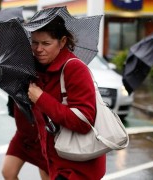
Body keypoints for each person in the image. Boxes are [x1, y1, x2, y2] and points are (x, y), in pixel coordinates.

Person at [27, 16, 106, 180]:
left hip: (78, 168)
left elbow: (83, 121)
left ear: (62, 42)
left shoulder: (74, 68)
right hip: (57, 162)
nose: (38, 49)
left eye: (46, 43)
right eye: (34, 42)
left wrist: (41, 98)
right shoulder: (37, 71)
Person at [1, 96, 49, 180]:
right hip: (22, 136)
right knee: (8, 172)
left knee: (46, 176)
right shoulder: (12, 85)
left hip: (41, 139)